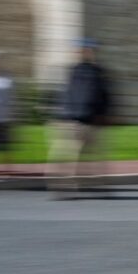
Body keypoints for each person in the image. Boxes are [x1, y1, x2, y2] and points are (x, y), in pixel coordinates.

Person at [46, 38, 111, 195]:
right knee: (75, 152)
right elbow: (94, 95)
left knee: (79, 152)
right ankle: (67, 184)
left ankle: (76, 183)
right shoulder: (88, 72)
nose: (83, 53)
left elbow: (102, 95)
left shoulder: (86, 71)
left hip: (79, 118)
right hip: (78, 118)